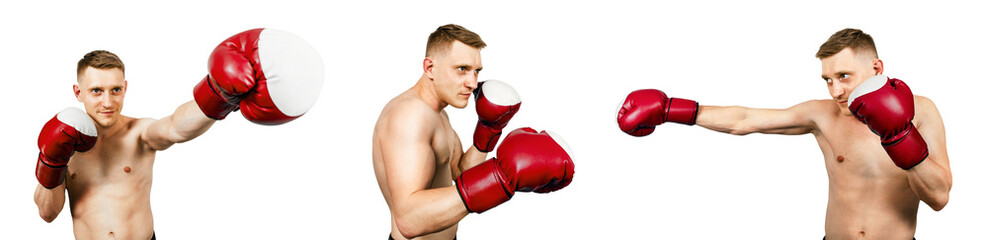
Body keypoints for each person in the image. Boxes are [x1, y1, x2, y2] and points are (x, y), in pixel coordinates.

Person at [617, 28, 951, 239]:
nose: (836, 90)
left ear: (876, 68)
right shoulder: (823, 114)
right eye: (828, 79)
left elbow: (938, 198)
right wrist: (672, 108)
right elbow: (746, 119)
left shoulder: (922, 111)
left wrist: (898, 135)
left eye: (844, 76)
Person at [33, 28, 323, 239]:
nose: (107, 102)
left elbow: (174, 127)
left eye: (115, 90)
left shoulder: (139, 133)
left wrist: (220, 93)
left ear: (125, 88)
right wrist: (52, 162)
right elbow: (48, 214)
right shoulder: (64, 138)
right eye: (96, 91)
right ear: (78, 92)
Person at [372, 24, 575, 240]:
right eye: (462, 69)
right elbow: (409, 219)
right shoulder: (410, 116)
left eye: (476, 71)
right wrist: (499, 179)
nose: (473, 83)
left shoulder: (437, 114)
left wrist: (487, 131)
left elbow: (461, 173)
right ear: (430, 68)